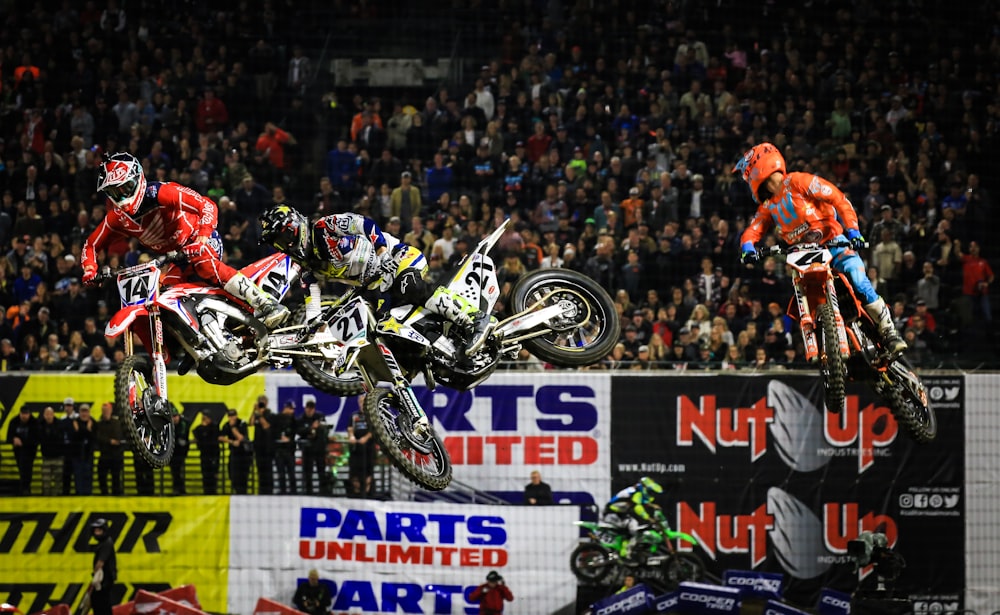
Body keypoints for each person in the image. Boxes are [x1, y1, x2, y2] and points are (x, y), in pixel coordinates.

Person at [80, 152, 288, 329]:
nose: (122, 197)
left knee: (205, 266)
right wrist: (90, 269)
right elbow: (91, 245)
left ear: (137, 178)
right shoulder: (117, 217)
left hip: (200, 241)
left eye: (124, 188)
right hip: (175, 258)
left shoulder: (161, 192)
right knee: (166, 298)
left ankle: (264, 303)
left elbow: (207, 206)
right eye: (114, 192)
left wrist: (202, 237)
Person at [734, 143, 906, 357]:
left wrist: (853, 231)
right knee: (803, 294)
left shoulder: (798, 181)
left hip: (834, 243)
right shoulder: (768, 206)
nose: (749, 182)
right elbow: (752, 230)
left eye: (748, 176)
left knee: (857, 278)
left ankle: (889, 331)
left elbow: (837, 198)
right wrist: (748, 248)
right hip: (803, 256)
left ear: (758, 169)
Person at [258, 205, 492, 358]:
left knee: (408, 286)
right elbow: (312, 292)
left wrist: (382, 253)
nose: (285, 244)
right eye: (278, 242)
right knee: (389, 329)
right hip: (378, 286)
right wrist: (313, 323)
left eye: (285, 236)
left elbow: (363, 223)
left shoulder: (324, 227)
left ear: (295, 226)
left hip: (398, 258)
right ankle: (446, 351)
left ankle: (474, 318)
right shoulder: (306, 263)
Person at [603, 476, 664, 560]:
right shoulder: (636, 492)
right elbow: (637, 507)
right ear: (645, 488)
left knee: (633, 527)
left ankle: (625, 552)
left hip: (619, 514)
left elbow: (639, 501)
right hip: (612, 514)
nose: (651, 495)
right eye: (650, 492)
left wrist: (652, 505)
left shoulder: (635, 490)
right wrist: (649, 519)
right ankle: (625, 555)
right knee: (635, 530)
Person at [297, 400, 330, 496]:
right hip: (307, 450)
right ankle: (308, 492)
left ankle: (323, 492)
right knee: (308, 472)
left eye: (311, 409)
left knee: (321, 471)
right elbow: (299, 431)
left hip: (319, 449)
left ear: (314, 409)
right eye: (308, 408)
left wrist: (319, 427)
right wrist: (311, 428)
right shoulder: (301, 419)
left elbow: (326, 428)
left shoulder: (320, 416)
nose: (309, 411)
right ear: (305, 408)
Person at [346, 399, 376, 498]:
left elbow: (375, 429)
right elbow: (350, 428)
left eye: (364, 401)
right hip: (356, 450)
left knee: (368, 474)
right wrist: (351, 436)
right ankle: (355, 495)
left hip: (368, 450)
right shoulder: (354, 415)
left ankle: (368, 495)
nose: (362, 404)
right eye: (360, 402)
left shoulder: (372, 414)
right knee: (354, 473)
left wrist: (366, 438)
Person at [7, 406, 39, 495]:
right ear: (20, 413)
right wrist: (14, 439)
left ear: (29, 414)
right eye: (22, 414)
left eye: (26, 414)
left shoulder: (34, 422)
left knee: (27, 469)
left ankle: (26, 488)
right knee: (22, 469)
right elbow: (8, 437)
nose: (24, 416)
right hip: (18, 451)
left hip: (30, 451)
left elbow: (36, 438)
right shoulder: (14, 421)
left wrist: (22, 442)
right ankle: (24, 488)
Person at [94, 402, 124, 495]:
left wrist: (116, 441)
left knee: (116, 476)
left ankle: (116, 493)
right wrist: (109, 441)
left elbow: (120, 436)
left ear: (111, 411)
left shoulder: (117, 423)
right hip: (105, 454)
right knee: (102, 476)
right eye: (104, 410)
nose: (105, 412)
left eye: (107, 410)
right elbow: (97, 437)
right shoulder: (99, 424)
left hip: (116, 455)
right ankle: (104, 493)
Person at [220, 408, 252, 494]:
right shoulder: (226, 425)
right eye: (230, 416)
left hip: (244, 454)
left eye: (233, 416)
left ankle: (243, 492)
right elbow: (220, 437)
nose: (232, 418)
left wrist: (233, 427)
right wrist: (231, 442)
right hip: (234, 453)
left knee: (243, 475)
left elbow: (241, 437)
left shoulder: (242, 423)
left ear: (236, 415)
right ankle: (236, 490)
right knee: (232, 473)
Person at [89, 518, 117, 615]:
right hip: (103, 579)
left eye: (99, 530)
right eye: (95, 531)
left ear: (104, 530)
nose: (97, 533)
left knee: (101, 603)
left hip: (105, 580)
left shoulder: (106, 543)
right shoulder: (104, 543)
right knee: (99, 602)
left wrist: (95, 577)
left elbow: (100, 562)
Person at [250, 395, 276, 494]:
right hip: (258, 447)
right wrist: (254, 411)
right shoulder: (256, 413)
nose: (261, 403)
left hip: (267, 447)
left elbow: (266, 426)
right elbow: (251, 423)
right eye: (260, 401)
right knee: (260, 471)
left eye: (263, 402)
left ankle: (269, 491)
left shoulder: (269, 414)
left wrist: (260, 415)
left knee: (268, 471)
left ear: (266, 403)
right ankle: (262, 491)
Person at [68, 404, 97, 495]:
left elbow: (94, 438)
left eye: (86, 411)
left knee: (88, 475)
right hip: (77, 455)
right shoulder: (74, 422)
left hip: (88, 454)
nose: (84, 414)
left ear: (89, 412)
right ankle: (79, 493)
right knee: (78, 475)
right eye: (82, 411)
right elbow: (73, 438)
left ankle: (88, 493)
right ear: (79, 412)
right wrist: (84, 431)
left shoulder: (93, 423)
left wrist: (87, 430)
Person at [274, 400, 298, 495]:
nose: (292, 411)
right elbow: (273, 432)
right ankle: (282, 491)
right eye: (291, 409)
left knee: (291, 473)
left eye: (293, 409)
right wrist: (279, 437)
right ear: (286, 408)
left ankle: (293, 491)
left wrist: (289, 439)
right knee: (281, 473)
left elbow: (295, 432)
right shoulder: (277, 418)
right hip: (279, 450)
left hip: (290, 450)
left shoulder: (293, 420)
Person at [193, 414, 221, 494]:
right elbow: (196, 432)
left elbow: (214, 435)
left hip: (213, 454)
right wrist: (203, 426)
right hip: (204, 454)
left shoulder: (214, 427)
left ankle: (213, 491)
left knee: (214, 474)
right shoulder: (199, 429)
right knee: (205, 474)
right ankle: (206, 491)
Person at [169, 406, 190, 495]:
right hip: (172, 451)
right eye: (173, 416)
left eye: (175, 416)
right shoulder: (169, 424)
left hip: (181, 451)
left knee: (177, 470)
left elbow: (182, 436)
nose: (174, 418)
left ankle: (179, 489)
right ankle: (179, 489)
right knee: (175, 471)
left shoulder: (184, 423)